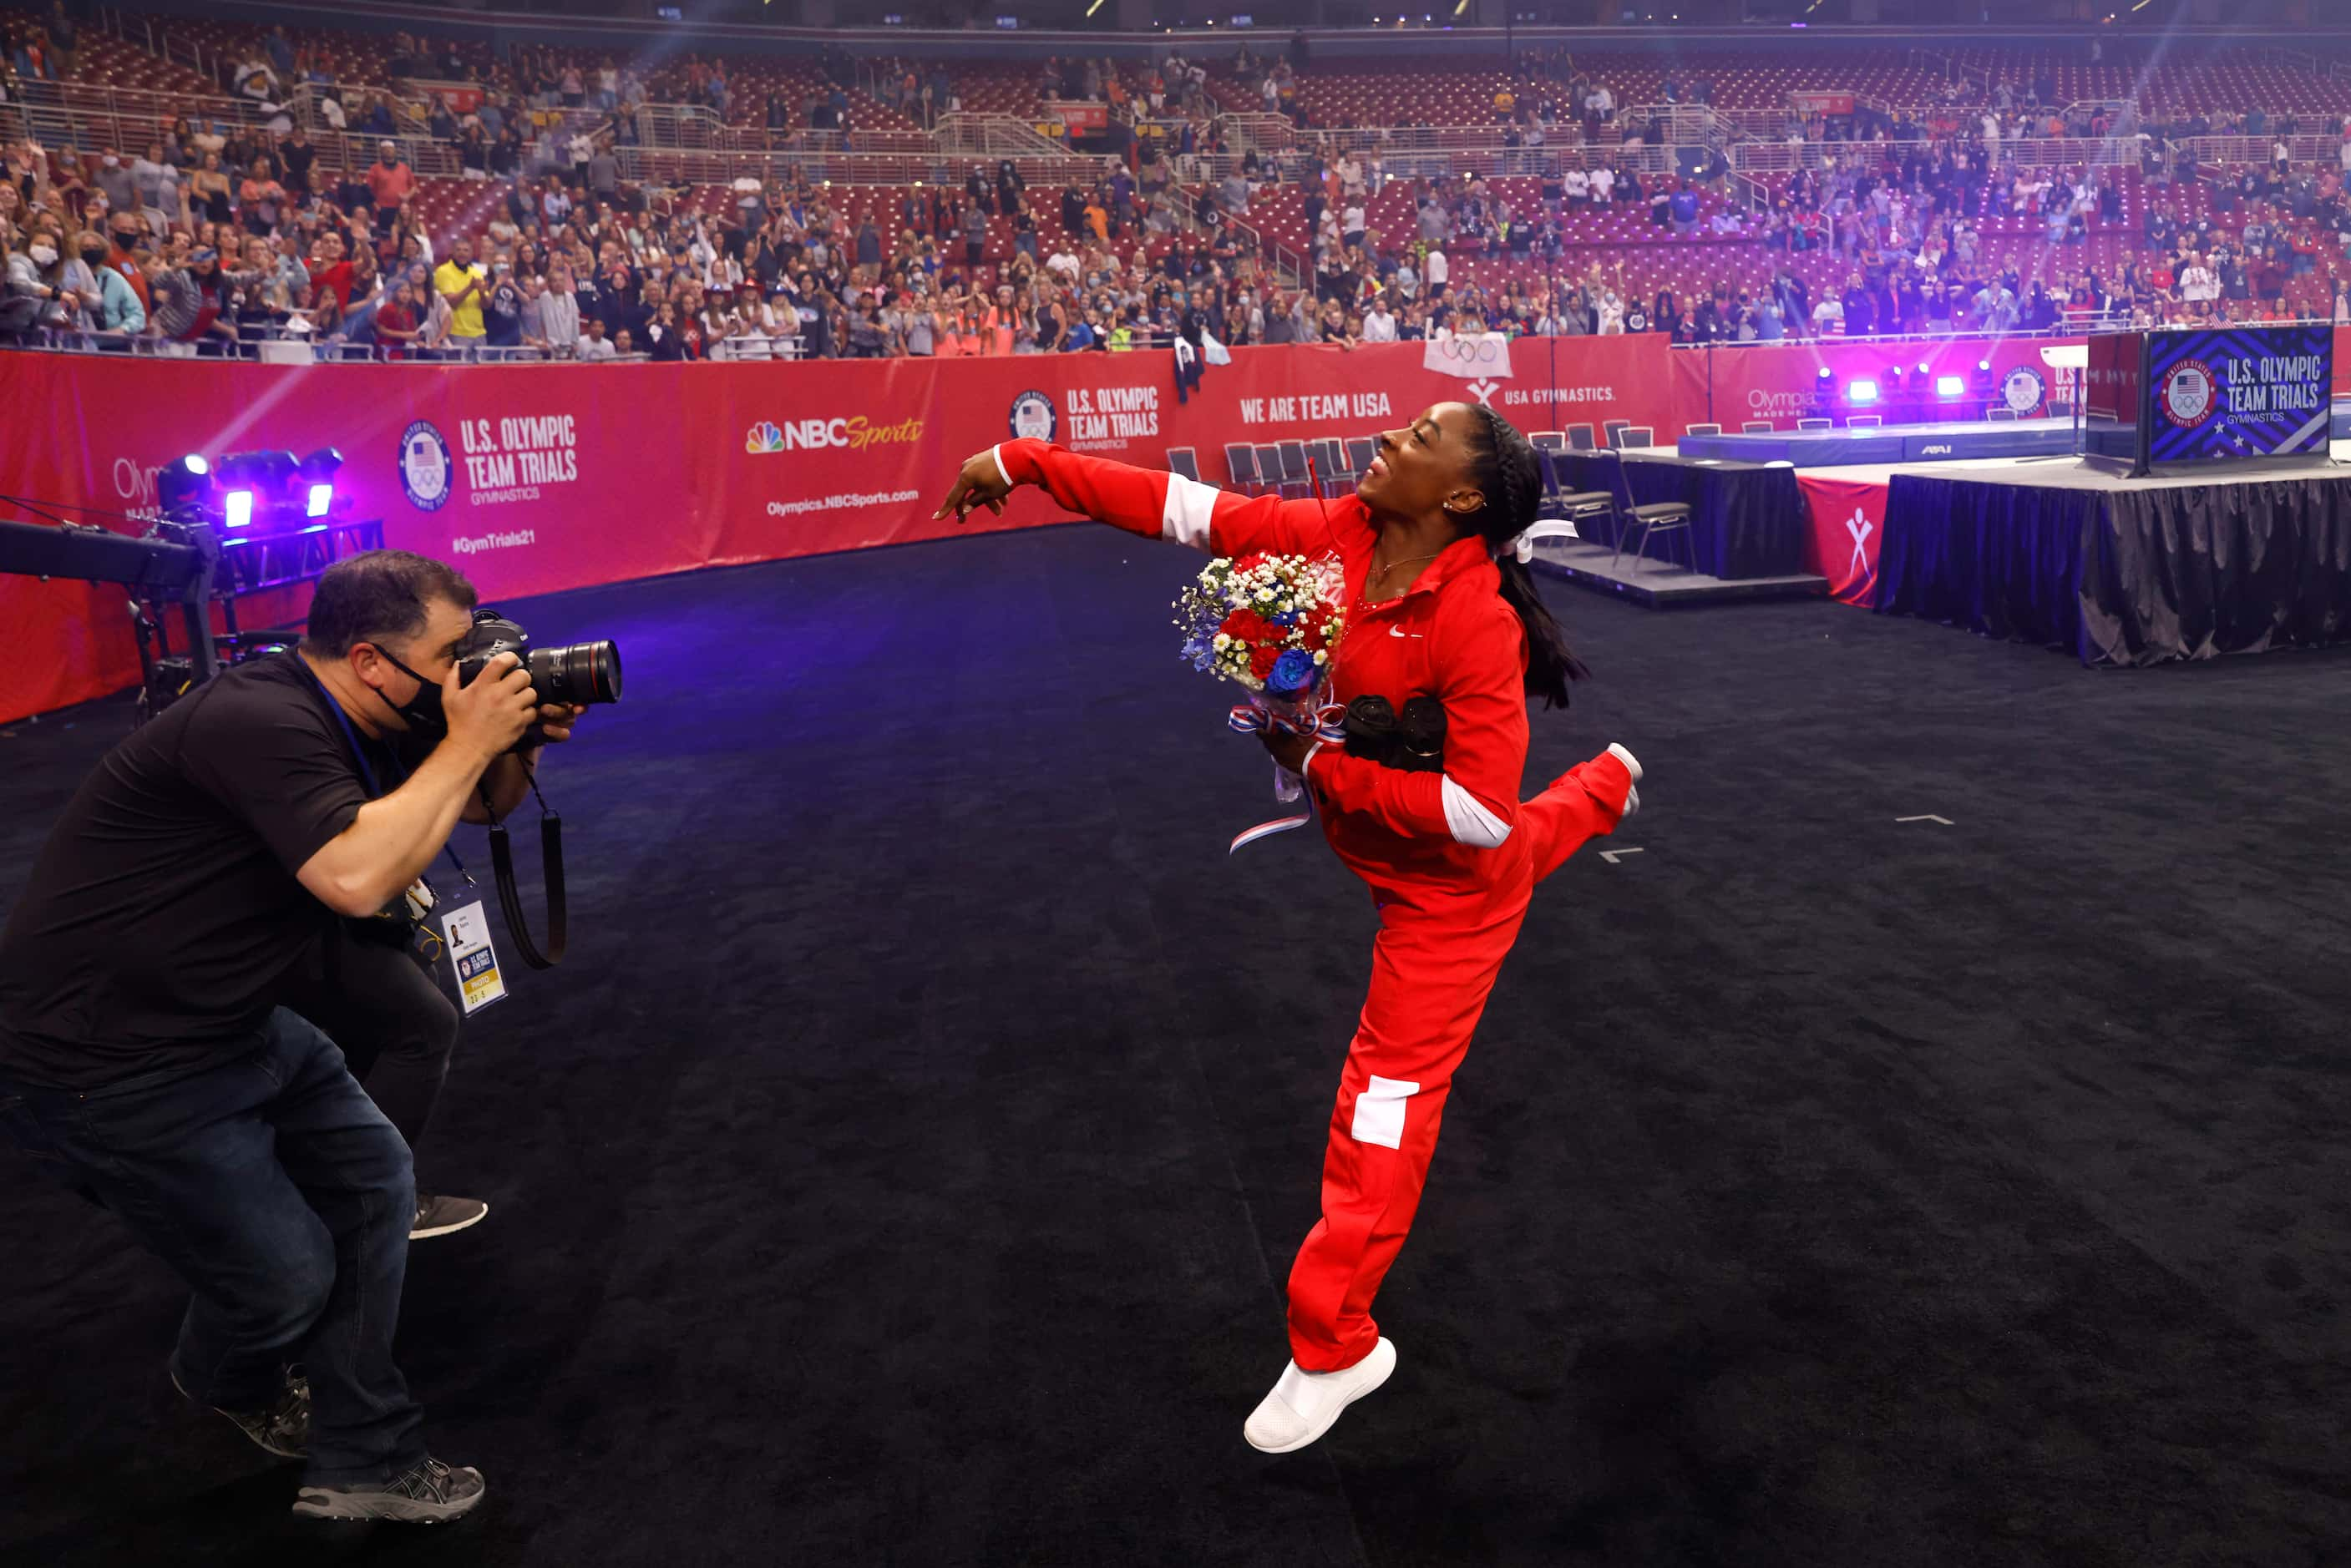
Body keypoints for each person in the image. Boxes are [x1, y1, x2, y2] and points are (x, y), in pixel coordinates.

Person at [930, 403, 1642, 1454]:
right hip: (1396, 851)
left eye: (1421, 437)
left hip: (1445, 900)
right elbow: (1181, 508)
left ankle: (1337, 1346)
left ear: (1457, 498)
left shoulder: (1474, 618)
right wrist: (1021, 460)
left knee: (1383, 1109)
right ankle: (1602, 791)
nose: (1393, 437)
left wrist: (1317, 766)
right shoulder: (1340, 534)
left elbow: (1478, 815)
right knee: (1521, 852)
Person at [0, 551, 589, 1521]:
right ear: (368, 659)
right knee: (285, 1283)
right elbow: (357, 879)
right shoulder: (259, 720)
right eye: (455, 655)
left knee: (370, 1187)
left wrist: (504, 745)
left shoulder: (385, 711)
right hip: (99, 1058)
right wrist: (464, 742)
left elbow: (475, 805)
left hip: (231, 1011)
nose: (473, 670)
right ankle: (224, 1374)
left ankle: (366, 1458)